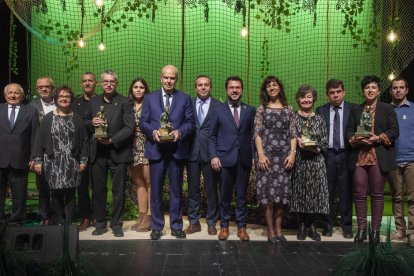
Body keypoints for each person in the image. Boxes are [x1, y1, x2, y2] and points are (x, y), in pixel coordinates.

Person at [140, 65, 194, 240]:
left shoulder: (185, 98)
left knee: (176, 190)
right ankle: (157, 227)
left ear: (176, 79)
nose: (169, 81)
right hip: (156, 151)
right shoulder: (149, 98)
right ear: (161, 78)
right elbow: (143, 122)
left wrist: (180, 132)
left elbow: (190, 123)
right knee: (155, 191)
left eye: (172, 78)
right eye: (166, 77)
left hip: (177, 151)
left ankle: (176, 226)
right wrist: (153, 131)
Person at [347, 75, 399, 244]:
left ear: (378, 91)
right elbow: (348, 131)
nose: (370, 90)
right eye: (367, 87)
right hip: (360, 156)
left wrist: (378, 138)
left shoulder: (387, 109)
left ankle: (375, 232)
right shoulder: (356, 109)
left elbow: (394, 131)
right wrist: (356, 139)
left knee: (377, 194)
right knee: (359, 194)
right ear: (363, 91)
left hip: (378, 156)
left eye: (373, 87)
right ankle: (362, 230)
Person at [87, 70, 135, 237]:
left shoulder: (125, 102)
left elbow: (130, 127)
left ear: (117, 84)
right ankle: (100, 224)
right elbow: (83, 123)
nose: (108, 84)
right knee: (98, 190)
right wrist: (91, 122)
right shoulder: (93, 102)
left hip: (118, 152)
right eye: (106, 81)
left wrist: (112, 140)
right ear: (100, 83)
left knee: (118, 191)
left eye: (112, 81)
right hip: (97, 153)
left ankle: (116, 224)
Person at [209, 76, 256, 241]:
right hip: (224, 159)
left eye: (237, 87)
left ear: (241, 90)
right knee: (225, 196)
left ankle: (242, 228)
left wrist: (254, 156)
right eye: (231, 88)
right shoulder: (217, 109)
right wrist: (213, 155)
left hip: (244, 159)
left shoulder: (250, 110)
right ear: (226, 90)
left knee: (242, 196)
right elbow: (212, 135)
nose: (235, 90)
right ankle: (224, 227)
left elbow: (252, 135)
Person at [33, 86, 89, 225]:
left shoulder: (77, 118)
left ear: (71, 99)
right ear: (56, 99)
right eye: (61, 96)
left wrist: (83, 159)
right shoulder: (48, 118)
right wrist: (38, 160)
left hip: (72, 161)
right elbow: (40, 140)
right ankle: (57, 223)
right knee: (56, 193)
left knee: (70, 193)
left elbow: (85, 140)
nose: (64, 99)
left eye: (67, 96)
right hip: (52, 161)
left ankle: (69, 224)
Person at [254, 76, 296, 243]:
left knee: (281, 195)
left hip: (284, 157)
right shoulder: (261, 109)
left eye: (275, 85)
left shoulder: (289, 109)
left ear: (280, 87)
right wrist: (261, 155)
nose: (272, 88)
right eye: (268, 86)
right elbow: (257, 134)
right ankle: (270, 231)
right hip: (267, 157)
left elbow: (293, 134)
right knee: (268, 196)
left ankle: (279, 229)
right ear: (265, 90)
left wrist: (292, 154)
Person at [315, 79, 358, 239]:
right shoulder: (321, 110)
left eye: (338, 92)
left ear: (344, 92)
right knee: (327, 193)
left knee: (346, 192)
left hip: (346, 155)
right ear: (327, 95)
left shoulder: (353, 109)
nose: (335, 95)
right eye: (332, 93)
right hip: (328, 156)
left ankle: (347, 227)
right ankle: (327, 226)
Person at [291, 85, 329, 241]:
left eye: (309, 97)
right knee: (300, 193)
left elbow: (325, 142)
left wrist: (316, 148)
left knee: (315, 194)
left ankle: (312, 227)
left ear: (313, 99)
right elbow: (290, 138)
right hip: (300, 161)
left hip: (316, 162)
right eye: (302, 97)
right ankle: (301, 226)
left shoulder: (319, 118)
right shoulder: (293, 118)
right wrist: (297, 141)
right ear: (298, 100)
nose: (306, 100)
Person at [185, 75, 220, 235]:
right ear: (195, 88)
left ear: (210, 87)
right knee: (193, 189)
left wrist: (217, 154)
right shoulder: (188, 104)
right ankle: (194, 222)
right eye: (200, 85)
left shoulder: (218, 106)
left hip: (211, 154)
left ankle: (211, 222)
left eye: (206, 85)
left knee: (211, 189)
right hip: (191, 152)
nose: (203, 87)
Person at [0, 83, 38, 225]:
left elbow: (35, 136)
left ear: (22, 96)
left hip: (20, 160)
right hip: (0, 159)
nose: (13, 95)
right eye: (10, 93)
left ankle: (17, 222)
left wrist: (33, 157)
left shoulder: (31, 111)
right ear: (5, 95)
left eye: (16, 93)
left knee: (19, 195)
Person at [388, 77, 414, 245]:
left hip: (412, 160)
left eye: (401, 87)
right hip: (392, 160)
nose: (398, 90)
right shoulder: (386, 110)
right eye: (395, 88)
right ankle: (400, 230)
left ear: (407, 90)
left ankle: (412, 232)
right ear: (391, 91)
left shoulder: (413, 109)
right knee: (396, 198)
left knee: (412, 198)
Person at [72, 72, 97, 231]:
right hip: (80, 150)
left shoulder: (101, 101)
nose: (87, 83)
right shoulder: (75, 103)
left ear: (96, 83)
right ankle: (85, 218)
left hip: (98, 148)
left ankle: (96, 216)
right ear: (81, 84)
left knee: (98, 186)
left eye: (90, 81)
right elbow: (76, 123)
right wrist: (90, 123)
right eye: (84, 81)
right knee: (81, 187)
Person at [31, 76, 56, 225]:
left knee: (59, 186)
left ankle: (59, 216)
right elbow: (31, 134)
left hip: (59, 152)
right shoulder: (31, 107)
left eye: (47, 86)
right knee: (43, 187)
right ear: (37, 89)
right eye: (40, 87)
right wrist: (34, 157)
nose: (44, 89)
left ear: (52, 88)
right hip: (40, 153)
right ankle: (45, 216)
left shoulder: (61, 103)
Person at [128, 77, 151, 232]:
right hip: (131, 147)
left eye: (141, 87)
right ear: (131, 89)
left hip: (147, 146)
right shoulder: (127, 105)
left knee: (149, 182)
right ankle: (142, 215)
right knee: (139, 183)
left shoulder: (150, 105)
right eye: (135, 87)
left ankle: (150, 217)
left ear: (145, 90)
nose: (138, 89)